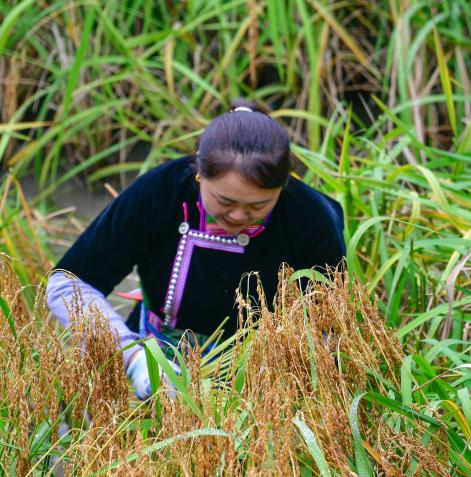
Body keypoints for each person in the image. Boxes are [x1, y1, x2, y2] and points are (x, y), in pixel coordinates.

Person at [46, 101, 346, 399]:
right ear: (200, 174)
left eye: (258, 206)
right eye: (225, 202)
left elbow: (330, 324)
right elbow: (67, 283)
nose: (238, 216)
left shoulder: (311, 217)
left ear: (282, 188)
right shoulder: (159, 193)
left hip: (262, 381)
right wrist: (133, 358)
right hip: (153, 360)